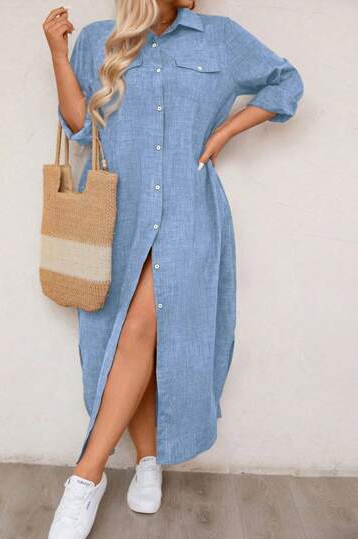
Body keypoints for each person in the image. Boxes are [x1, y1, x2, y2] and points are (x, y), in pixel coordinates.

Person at [43, 1, 304, 537]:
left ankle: (86, 477)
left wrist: (225, 131)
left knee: (141, 331)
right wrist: (58, 55)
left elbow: (286, 83)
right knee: (133, 339)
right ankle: (147, 461)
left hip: (188, 212)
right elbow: (79, 127)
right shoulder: (100, 39)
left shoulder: (220, 37)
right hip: (117, 215)